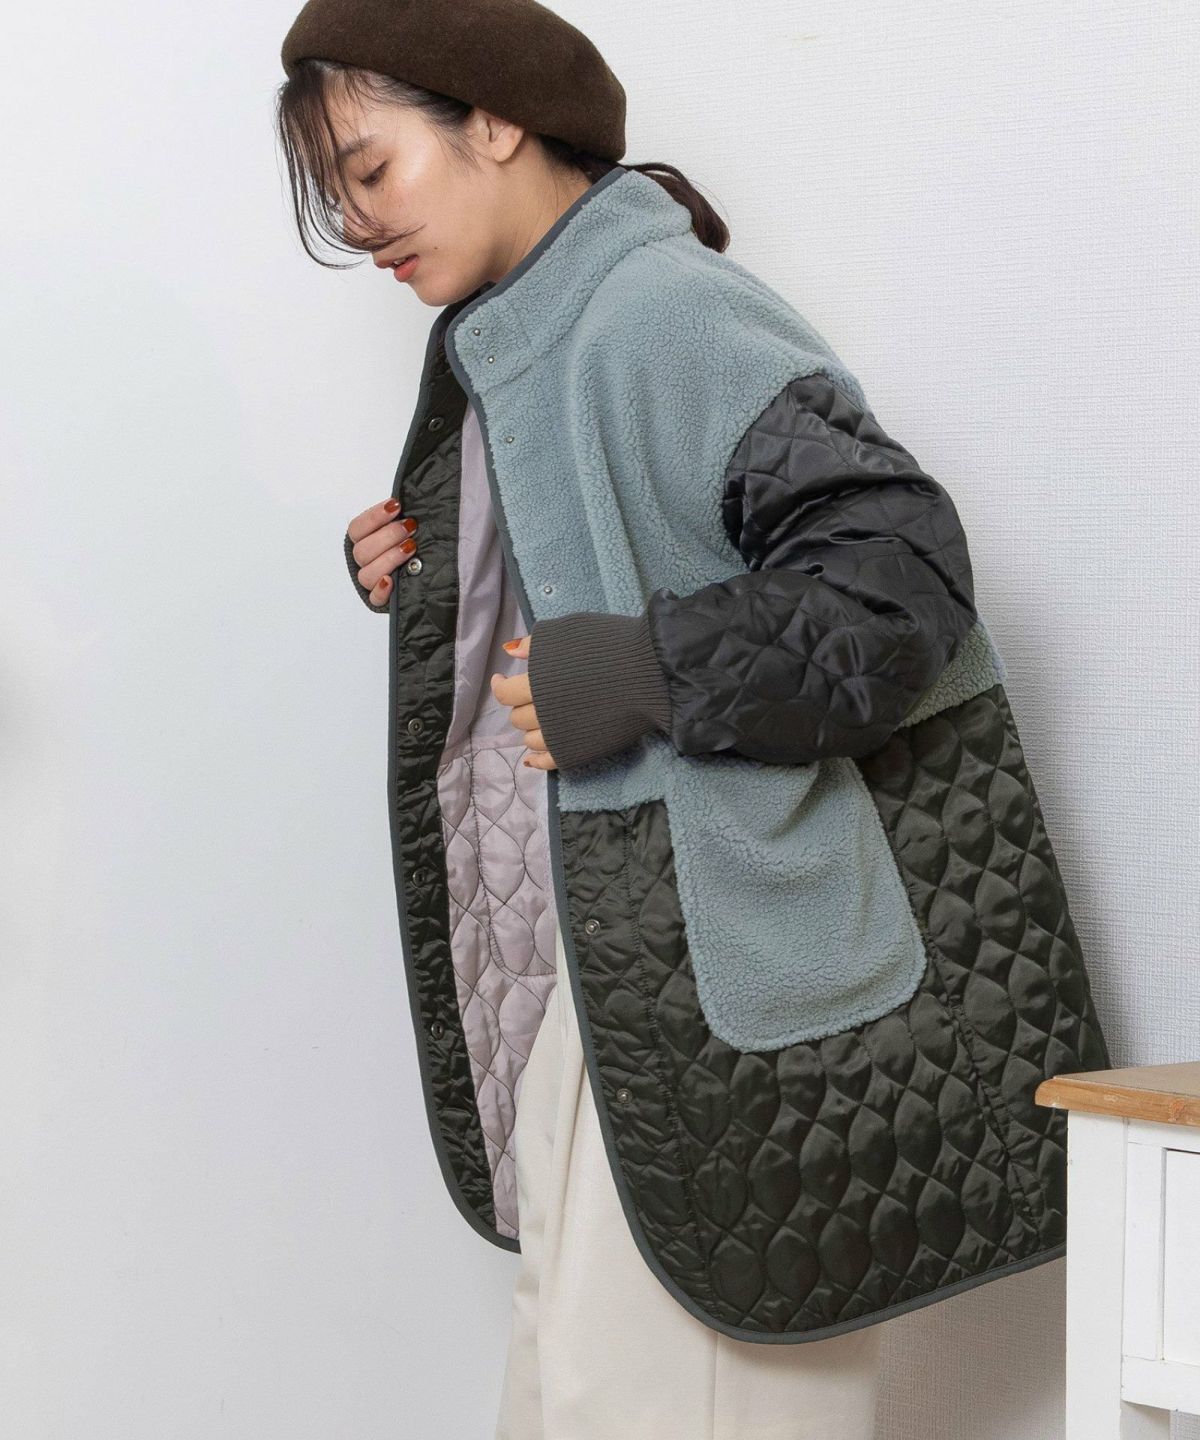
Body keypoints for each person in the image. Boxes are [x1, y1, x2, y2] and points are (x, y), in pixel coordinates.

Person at [274, 2, 1111, 1436]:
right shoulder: (533, 332)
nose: (358, 227)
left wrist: (643, 671)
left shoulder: (657, 310)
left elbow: (898, 576)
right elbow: (610, 570)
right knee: (574, 1397)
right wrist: (434, 566)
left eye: (370, 169)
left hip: (727, 970)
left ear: (492, 120)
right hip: (614, 972)